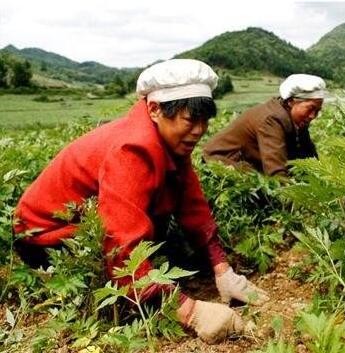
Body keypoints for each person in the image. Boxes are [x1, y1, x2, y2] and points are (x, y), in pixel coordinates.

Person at [13, 59, 268, 344]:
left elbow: (191, 205)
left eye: (204, 119)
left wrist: (223, 269)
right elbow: (121, 245)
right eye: (190, 119)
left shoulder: (172, 141)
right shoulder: (132, 149)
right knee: (125, 293)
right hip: (44, 238)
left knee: (160, 234)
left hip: (83, 222)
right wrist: (190, 311)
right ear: (154, 109)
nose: (199, 130)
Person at [202, 74, 326, 176]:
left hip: (249, 161)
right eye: (310, 109)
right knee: (262, 190)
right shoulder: (272, 119)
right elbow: (276, 172)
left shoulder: (296, 119)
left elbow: (309, 157)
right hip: (221, 161)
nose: (313, 116)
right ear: (291, 102)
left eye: (317, 111)